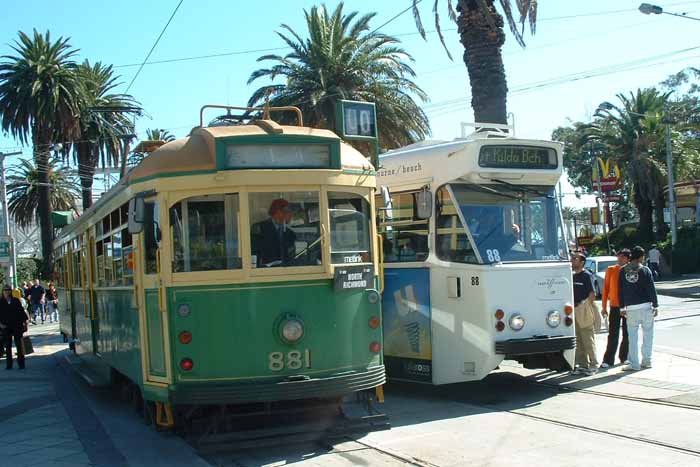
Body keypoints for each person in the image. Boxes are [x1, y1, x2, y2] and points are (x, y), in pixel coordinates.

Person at [619, 246, 659, 372]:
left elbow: (620, 290)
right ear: (641, 257)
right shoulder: (645, 270)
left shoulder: (623, 271)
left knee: (632, 337)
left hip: (631, 308)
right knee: (648, 334)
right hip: (646, 306)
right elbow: (651, 288)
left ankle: (634, 363)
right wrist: (655, 305)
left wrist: (621, 307)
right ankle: (647, 361)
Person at [600, 249, 631, 369]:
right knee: (613, 333)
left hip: (628, 306)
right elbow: (606, 289)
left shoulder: (631, 270)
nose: (619, 258)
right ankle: (608, 359)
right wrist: (603, 307)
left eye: (622, 257)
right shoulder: (611, 269)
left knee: (627, 333)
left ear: (628, 258)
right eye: (619, 256)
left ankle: (625, 357)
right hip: (614, 305)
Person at [571, 252, 599, 375]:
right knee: (578, 339)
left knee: (588, 338)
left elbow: (592, 294)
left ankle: (593, 365)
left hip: (584, 309)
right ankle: (582, 365)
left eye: (575, 259)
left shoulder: (587, 276)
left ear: (582, 262)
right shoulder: (572, 276)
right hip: (574, 310)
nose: (572, 260)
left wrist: (584, 306)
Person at [250, 199, 297, 267]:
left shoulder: (290, 234)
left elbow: (291, 257)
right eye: (288, 211)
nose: (291, 215)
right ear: (278, 212)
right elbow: (254, 253)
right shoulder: (259, 228)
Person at [0, 284, 28, 370]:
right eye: (5, 290)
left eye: (8, 290)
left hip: (17, 325)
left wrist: (25, 322)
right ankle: (9, 365)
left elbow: (21, 312)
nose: (7, 291)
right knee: (8, 346)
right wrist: (0, 324)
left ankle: (21, 364)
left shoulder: (16, 300)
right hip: (5, 326)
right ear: (2, 291)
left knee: (19, 345)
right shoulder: (0, 301)